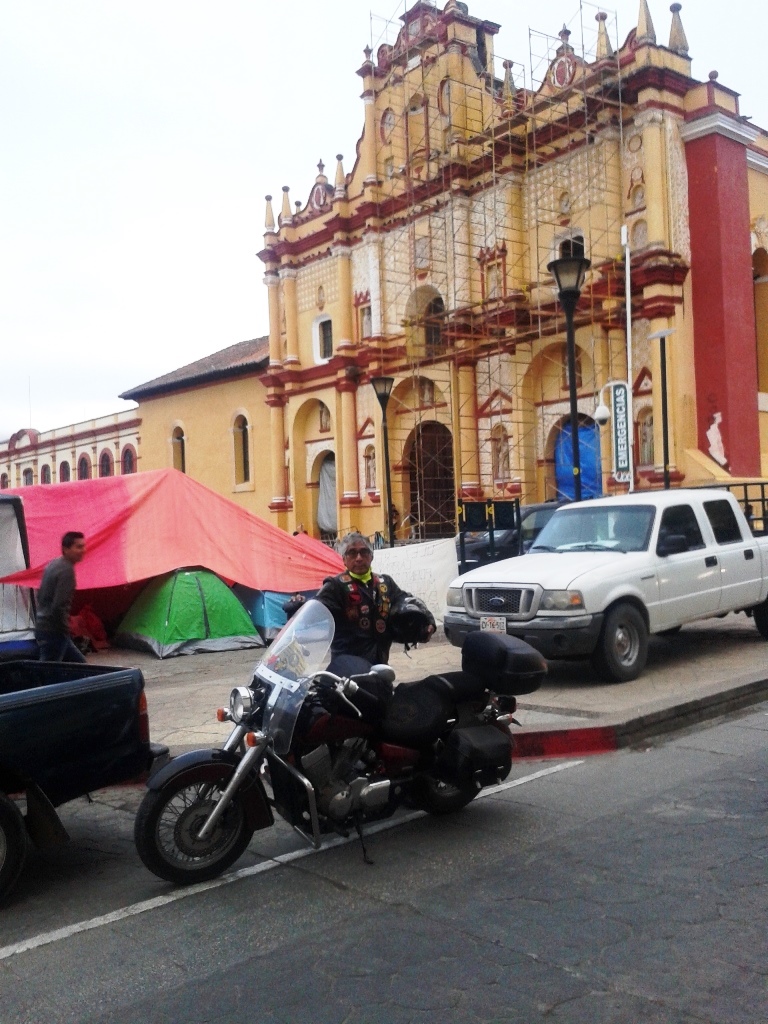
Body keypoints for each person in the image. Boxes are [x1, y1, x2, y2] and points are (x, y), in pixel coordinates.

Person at [284, 532, 435, 672]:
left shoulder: (385, 583)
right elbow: (316, 608)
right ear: (343, 559)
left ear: (371, 556)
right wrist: (298, 608)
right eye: (352, 553)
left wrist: (428, 623)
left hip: (380, 669)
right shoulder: (335, 586)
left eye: (364, 552)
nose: (359, 558)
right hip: (347, 672)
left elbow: (406, 599)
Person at [35, 531, 87, 663]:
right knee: (49, 671)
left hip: (44, 625)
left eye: (83, 546)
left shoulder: (53, 564)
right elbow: (59, 605)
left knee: (80, 666)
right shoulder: (66, 571)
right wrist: (64, 629)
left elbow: (40, 595)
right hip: (54, 630)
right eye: (78, 547)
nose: (83, 550)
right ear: (66, 549)